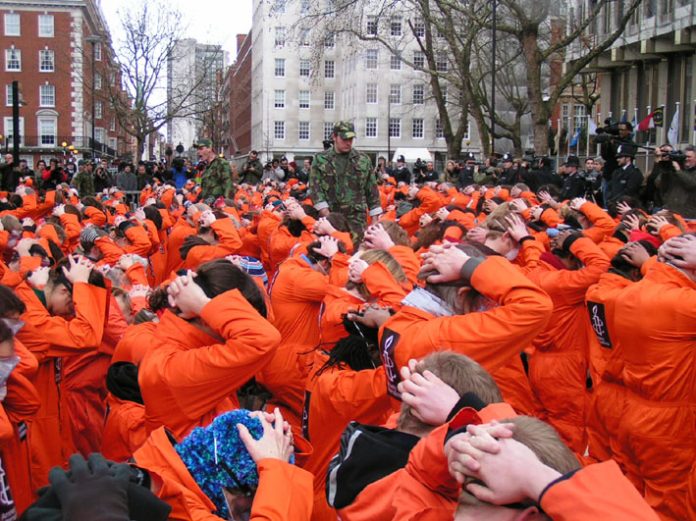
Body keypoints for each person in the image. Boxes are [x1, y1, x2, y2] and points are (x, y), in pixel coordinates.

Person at [309, 121, 382, 238]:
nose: (348, 143)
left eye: (351, 139)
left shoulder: (363, 160)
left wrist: (374, 220)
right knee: (332, 251)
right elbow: (315, 189)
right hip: (330, 215)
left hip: (356, 218)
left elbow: (372, 191)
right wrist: (327, 214)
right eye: (344, 139)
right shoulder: (320, 159)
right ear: (334, 137)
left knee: (355, 251)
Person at [655, 145, 696, 218]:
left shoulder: (681, 171)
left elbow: (691, 184)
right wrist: (666, 167)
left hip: (688, 215)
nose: (686, 159)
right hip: (670, 211)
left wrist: (678, 170)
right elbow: (658, 183)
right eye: (684, 157)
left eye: (689, 157)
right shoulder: (676, 171)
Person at [196, 138, 233, 203]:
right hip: (206, 203)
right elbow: (201, 185)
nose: (198, 152)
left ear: (209, 148)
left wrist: (224, 204)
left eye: (201, 149)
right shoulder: (205, 167)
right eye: (197, 149)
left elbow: (228, 186)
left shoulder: (221, 163)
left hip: (216, 204)